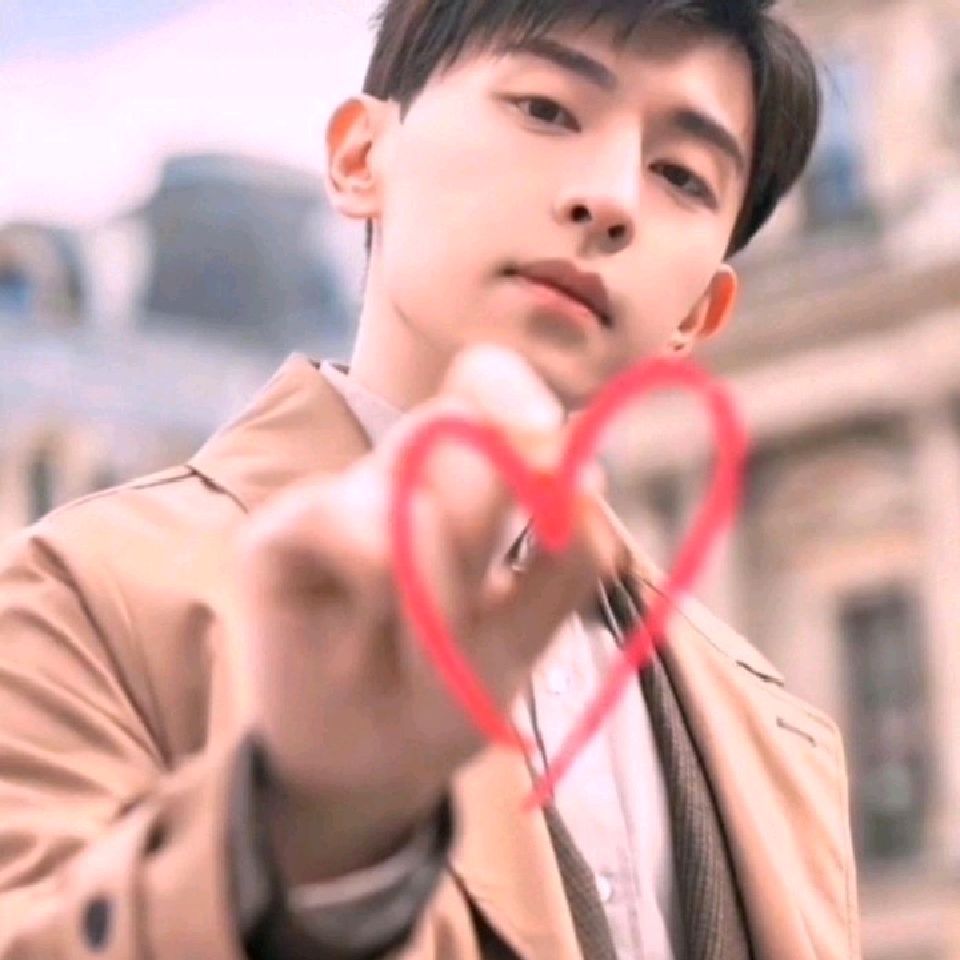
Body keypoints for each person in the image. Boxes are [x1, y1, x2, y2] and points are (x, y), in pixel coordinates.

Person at [0, 1, 861, 958]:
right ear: (361, 157)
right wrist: (294, 836)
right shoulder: (86, 596)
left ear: (699, 314)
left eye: (682, 175)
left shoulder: (781, 739)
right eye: (546, 109)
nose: (613, 196)